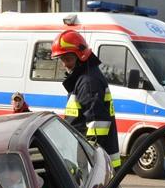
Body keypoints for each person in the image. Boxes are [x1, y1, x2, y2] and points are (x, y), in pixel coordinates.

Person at [50, 30, 121, 168]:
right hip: (95, 156)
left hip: (94, 159)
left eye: (68, 59)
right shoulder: (85, 77)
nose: (65, 64)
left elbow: (97, 125)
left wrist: (89, 157)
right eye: (62, 60)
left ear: (80, 56)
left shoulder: (88, 81)